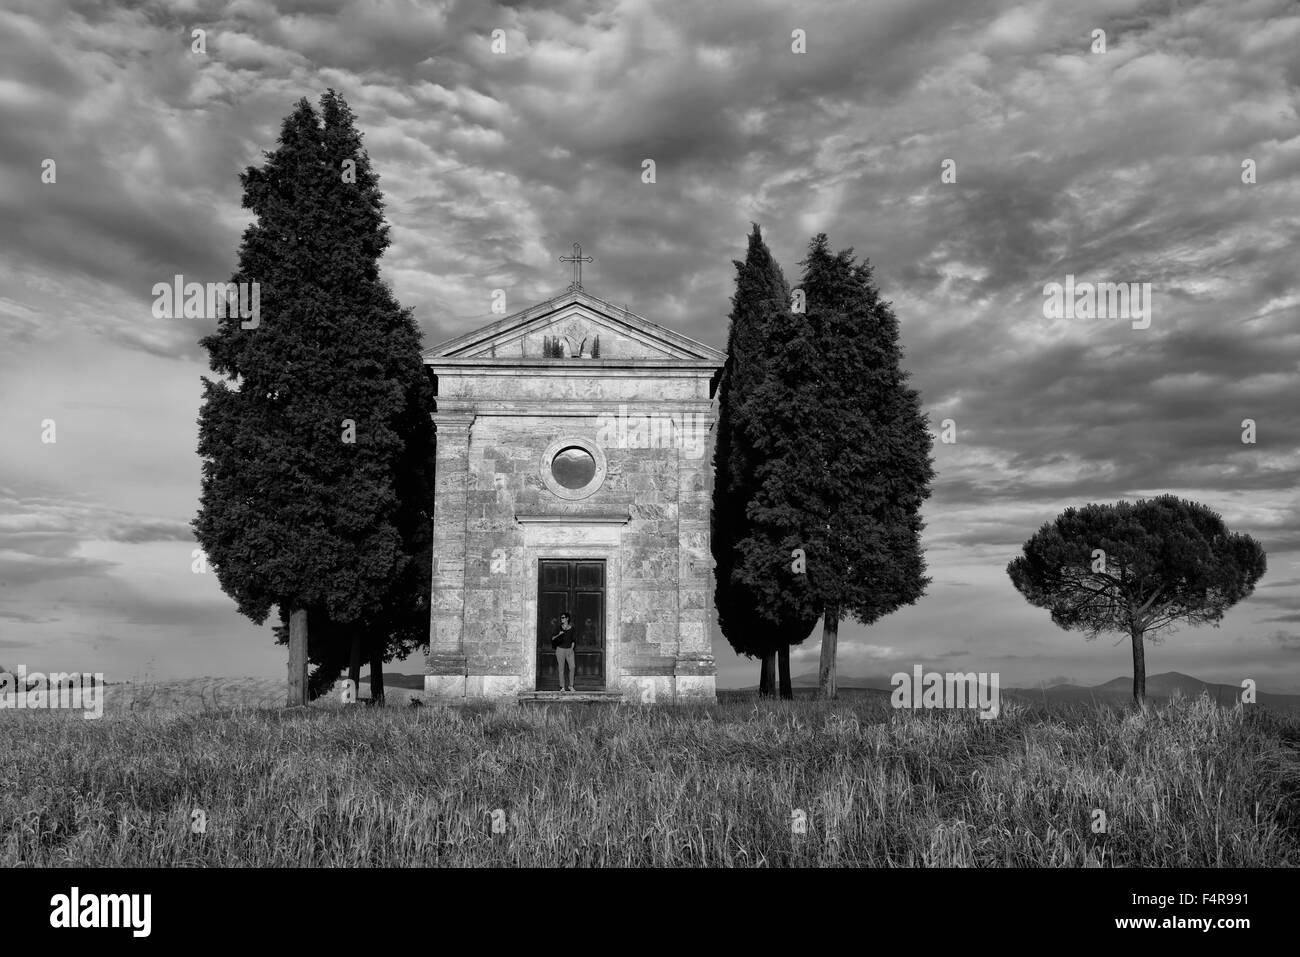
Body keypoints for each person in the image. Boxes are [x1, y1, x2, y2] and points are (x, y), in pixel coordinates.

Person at [550, 612, 576, 692]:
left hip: (569, 650)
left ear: (567, 618)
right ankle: (562, 687)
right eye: (561, 618)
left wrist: (571, 650)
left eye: (563, 617)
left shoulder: (572, 629)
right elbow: (553, 638)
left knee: (572, 667)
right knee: (561, 669)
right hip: (560, 649)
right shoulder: (558, 628)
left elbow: (573, 640)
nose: (562, 619)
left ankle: (571, 686)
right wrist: (559, 634)